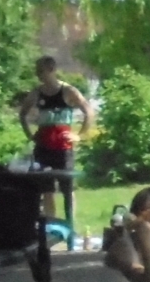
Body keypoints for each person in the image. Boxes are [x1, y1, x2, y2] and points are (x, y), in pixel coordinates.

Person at [17, 56, 94, 221]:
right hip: (43, 148)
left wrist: (79, 135)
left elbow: (89, 111)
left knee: (67, 189)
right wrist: (30, 135)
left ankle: (70, 225)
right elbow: (23, 114)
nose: (38, 75)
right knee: (47, 190)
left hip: (63, 148)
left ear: (52, 70)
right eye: (36, 71)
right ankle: (50, 226)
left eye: (41, 71)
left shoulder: (68, 91)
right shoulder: (36, 93)